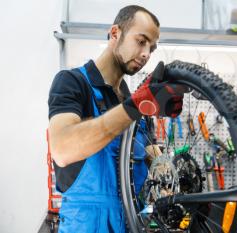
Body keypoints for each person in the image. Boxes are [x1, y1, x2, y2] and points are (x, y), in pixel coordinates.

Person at [48, 5, 185, 233]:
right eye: (141, 41)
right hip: (87, 225)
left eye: (151, 48)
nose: (146, 54)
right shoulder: (72, 83)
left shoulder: (134, 101)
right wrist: (134, 107)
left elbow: (150, 155)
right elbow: (62, 149)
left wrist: (174, 177)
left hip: (132, 223)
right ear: (115, 34)